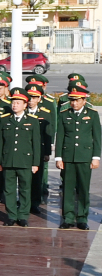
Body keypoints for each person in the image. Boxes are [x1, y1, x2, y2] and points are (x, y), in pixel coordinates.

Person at [54, 84, 101, 230]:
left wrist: (96, 157)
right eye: (72, 100)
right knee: (67, 189)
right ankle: (68, 218)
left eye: (77, 100)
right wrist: (58, 158)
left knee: (83, 188)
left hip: (84, 157)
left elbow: (97, 138)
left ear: (84, 100)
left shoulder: (92, 114)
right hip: (68, 157)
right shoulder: (64, 114)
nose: (74, 103)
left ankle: (82, 218)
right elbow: (60, 137)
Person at [0, 89, 40, 227]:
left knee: (25, 189)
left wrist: (35, 163)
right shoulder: (5, 120)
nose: (15, 105)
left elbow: (36, 144)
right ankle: (11, 215)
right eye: (13, 102)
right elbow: (1, 142)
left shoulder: (32, 121)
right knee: (9, 189)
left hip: (25, 161)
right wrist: (0, 161)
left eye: (18, 103)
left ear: (25, 105)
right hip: (8, 160)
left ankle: (23, 216)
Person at [26, 84, 54, 214]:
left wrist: (47, 152)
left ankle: (35, 203)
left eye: (34, 97)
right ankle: (24, 202)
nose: (31, 100)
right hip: (24, 150)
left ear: (39, 99)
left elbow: (48, 134)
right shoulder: (22, 111)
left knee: (37, 179)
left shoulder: (44, 113)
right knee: (24, 178)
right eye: (29, 97)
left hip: (39, 150)